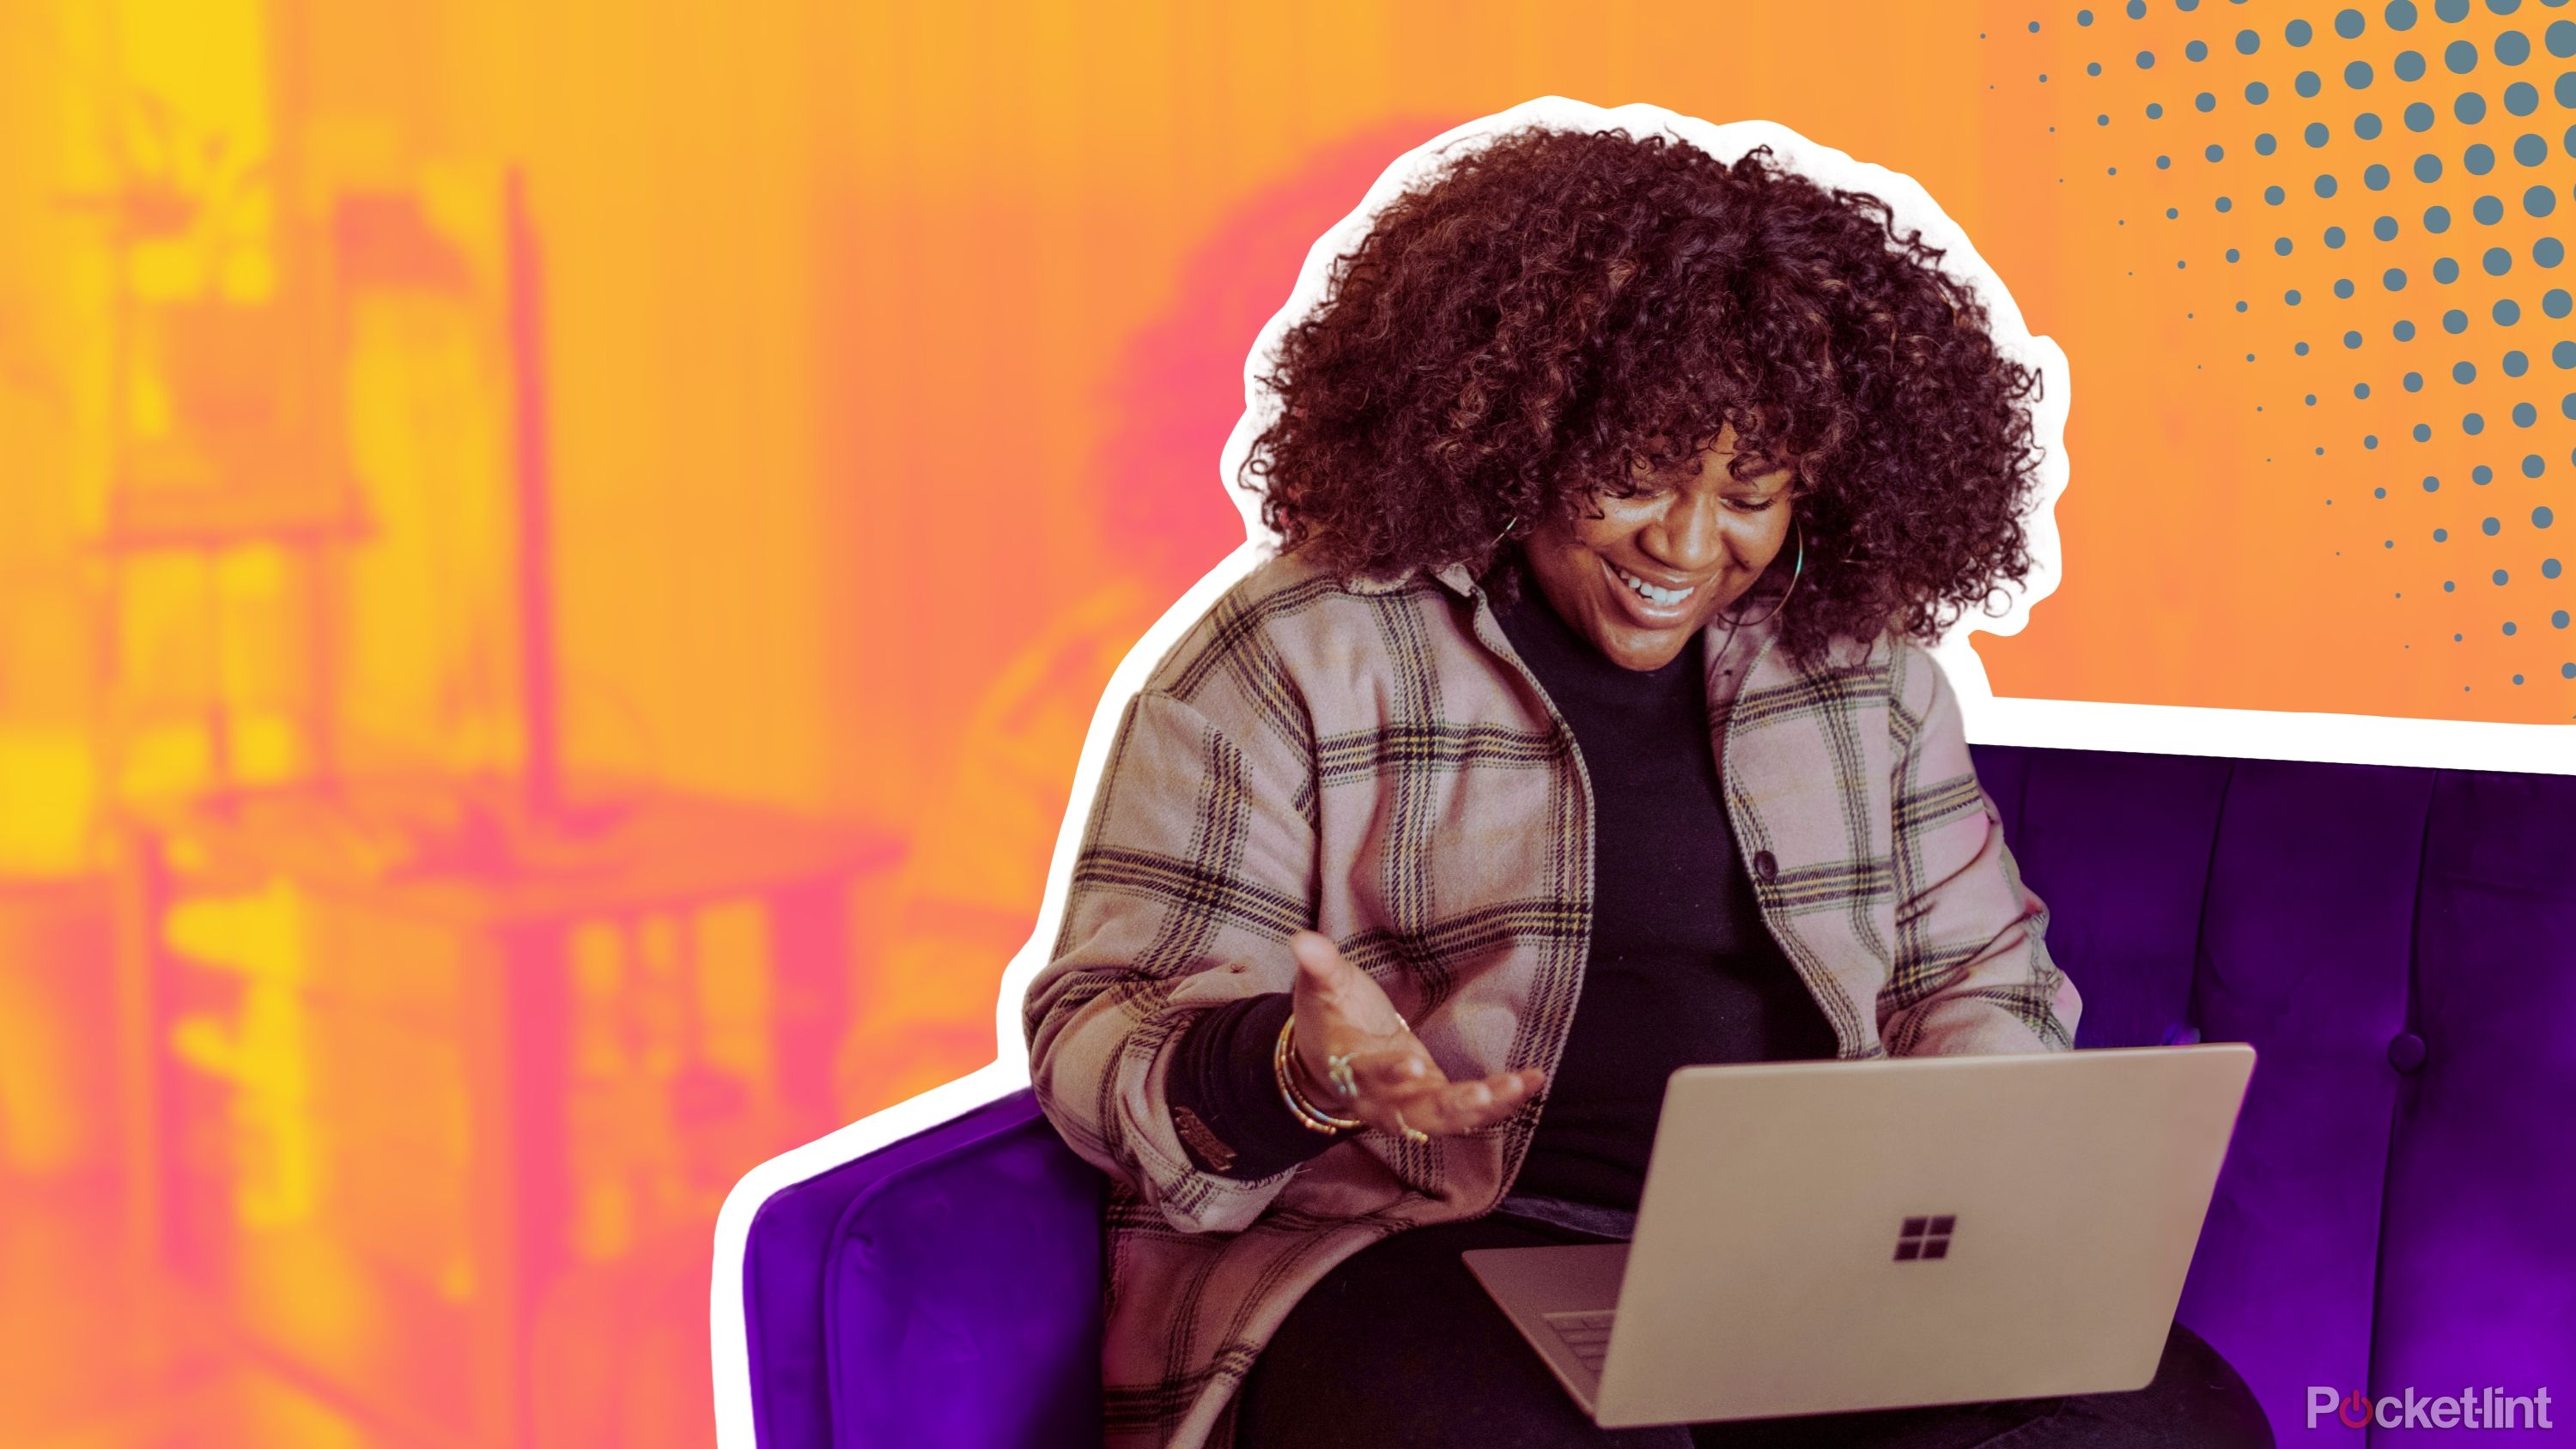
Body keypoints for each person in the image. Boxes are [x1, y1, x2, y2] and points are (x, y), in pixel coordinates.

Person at [1023, 124, 2273, 1449]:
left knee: (2170, 1423)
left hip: (1799, 1274)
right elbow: (1099, 1023)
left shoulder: (1867, 673)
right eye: (1634, 478)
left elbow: (1977, 982)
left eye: (1750, 492)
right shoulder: (1299, 649)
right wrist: (1295, 1070)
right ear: (1521, 430)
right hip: (1411, 1254)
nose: (1684, 545)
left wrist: (1958, 1199)